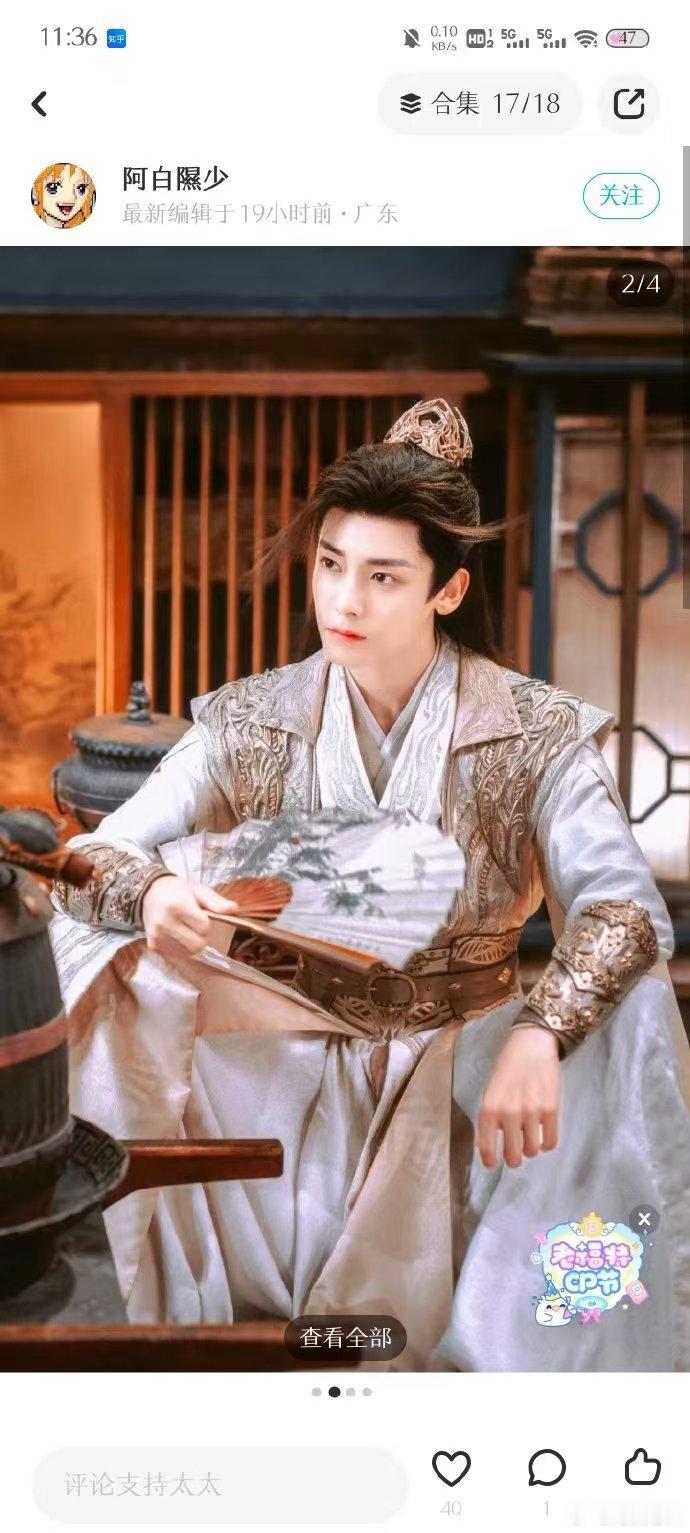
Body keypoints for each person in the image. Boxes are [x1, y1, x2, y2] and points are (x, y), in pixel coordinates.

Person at [50, 398, 690, 1370]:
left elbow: (625, 909)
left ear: (448, 589)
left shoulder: (531, 733)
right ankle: (157, 1330)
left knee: (622, 1012)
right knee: (120, 961)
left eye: (383, 576)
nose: (343, 602)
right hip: (278, 1061)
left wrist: (540, 1032)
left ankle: (531, 1365)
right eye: (330, 565)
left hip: (462, 1059)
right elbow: (93, 854)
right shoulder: (252, 721)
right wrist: (148, 896)